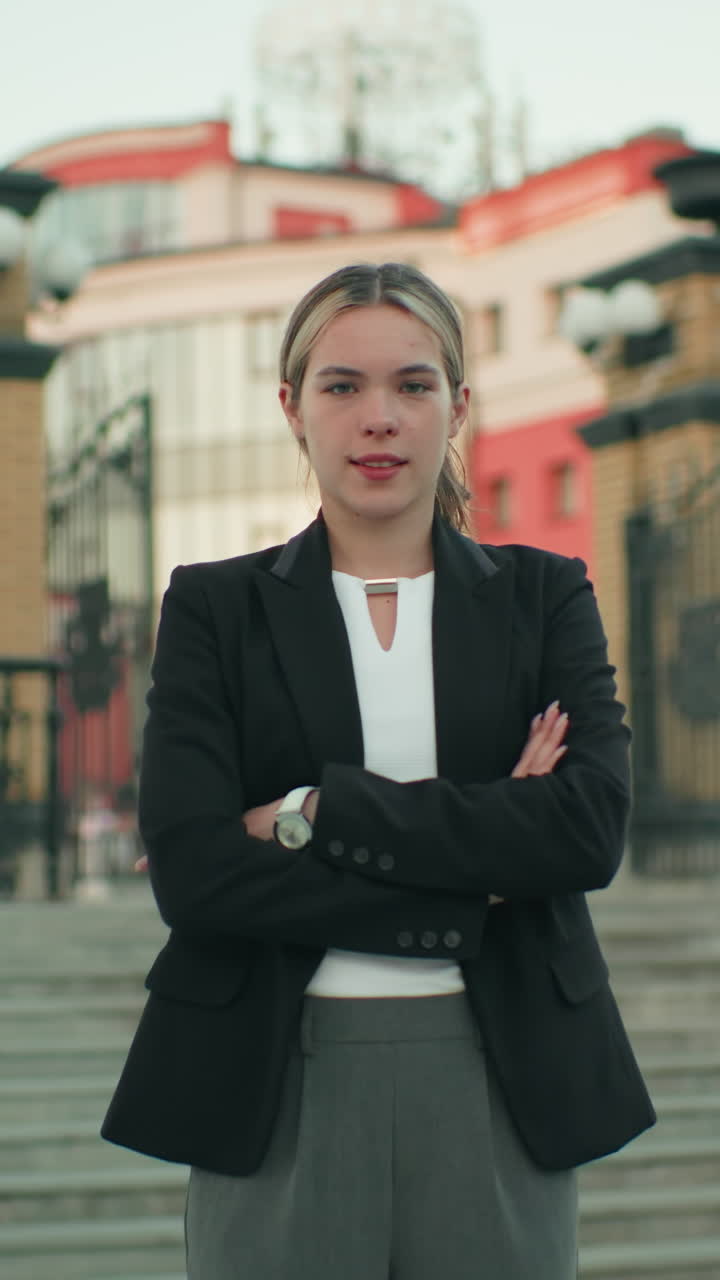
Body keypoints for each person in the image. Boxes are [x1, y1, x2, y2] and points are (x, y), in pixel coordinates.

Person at [102, 262, 655, 1279]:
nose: (379, 418)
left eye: (412, 384)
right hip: (274, 1072)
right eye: (342, 385)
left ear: (458, 405)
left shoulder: (545, 597)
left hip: (502, 1065)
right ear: (292, 407)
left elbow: (584, 829)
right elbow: (195, 869)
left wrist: (317, 808)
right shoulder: (215, 610)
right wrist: (478, 869)